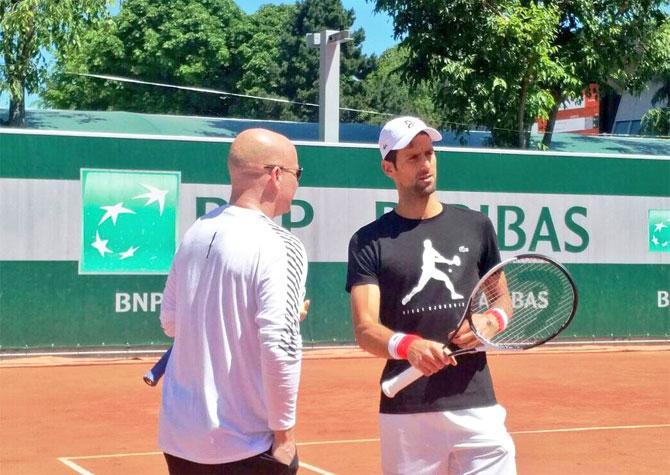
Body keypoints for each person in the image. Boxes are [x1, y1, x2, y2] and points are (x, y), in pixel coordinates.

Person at [346, 116, 516, 474]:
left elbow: (503, 301)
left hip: (477, 405)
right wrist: (411, 347)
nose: (425, 164)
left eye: (429, 153)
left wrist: (490, 320)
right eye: (412, 157)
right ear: (388, 167)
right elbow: (365, 329)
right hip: (408, 415)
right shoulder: (367, 241)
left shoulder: (476, 226)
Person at [158, 128, 308, 474]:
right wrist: (284, 435)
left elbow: (171, 322)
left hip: (180, 440)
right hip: (244, 444)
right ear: (275, 175)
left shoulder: (196, 232)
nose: (297, 183)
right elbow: (280, 345)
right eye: (297, 174)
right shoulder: (281, 245)